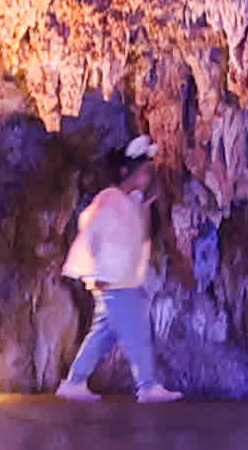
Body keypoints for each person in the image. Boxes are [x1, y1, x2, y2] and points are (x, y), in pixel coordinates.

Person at [60, 144, 170, 398]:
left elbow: (138, 240)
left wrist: (144, 209)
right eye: (143, 172)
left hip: (121, 280)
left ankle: (74, 383)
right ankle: (147, 385)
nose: (146, 178)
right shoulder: (109, 199)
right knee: (137, 330)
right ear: (125, 171)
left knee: (102, 335)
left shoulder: (131, 202)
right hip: (112, 281)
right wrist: (98, 273)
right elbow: (91, 230)